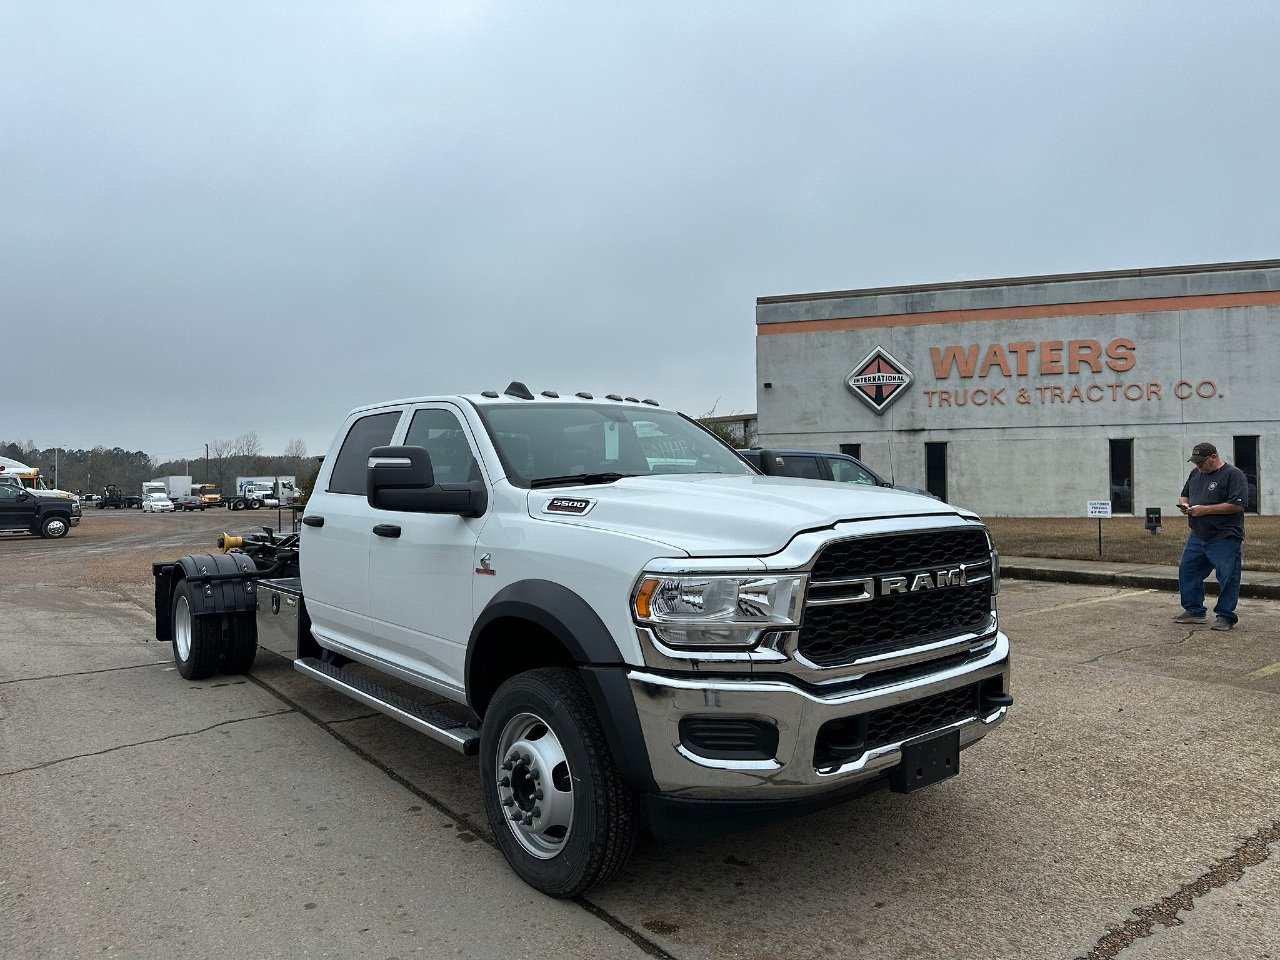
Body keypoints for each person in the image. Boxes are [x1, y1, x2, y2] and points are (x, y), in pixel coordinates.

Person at [1173, 442, 1248, 630]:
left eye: (1201, 462)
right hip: (1198, 533)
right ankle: (1194, 610)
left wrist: (1205, 510)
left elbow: (1237, 505)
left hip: (1224, 534)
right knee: (1188, 569)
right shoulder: (1195, 474)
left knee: (1227, 575)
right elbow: (1184, 495)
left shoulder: (1233, 475)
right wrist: (1185, 506)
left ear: (1213, 457)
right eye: (1195, 462)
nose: (1198, 466)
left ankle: (1225, 615)